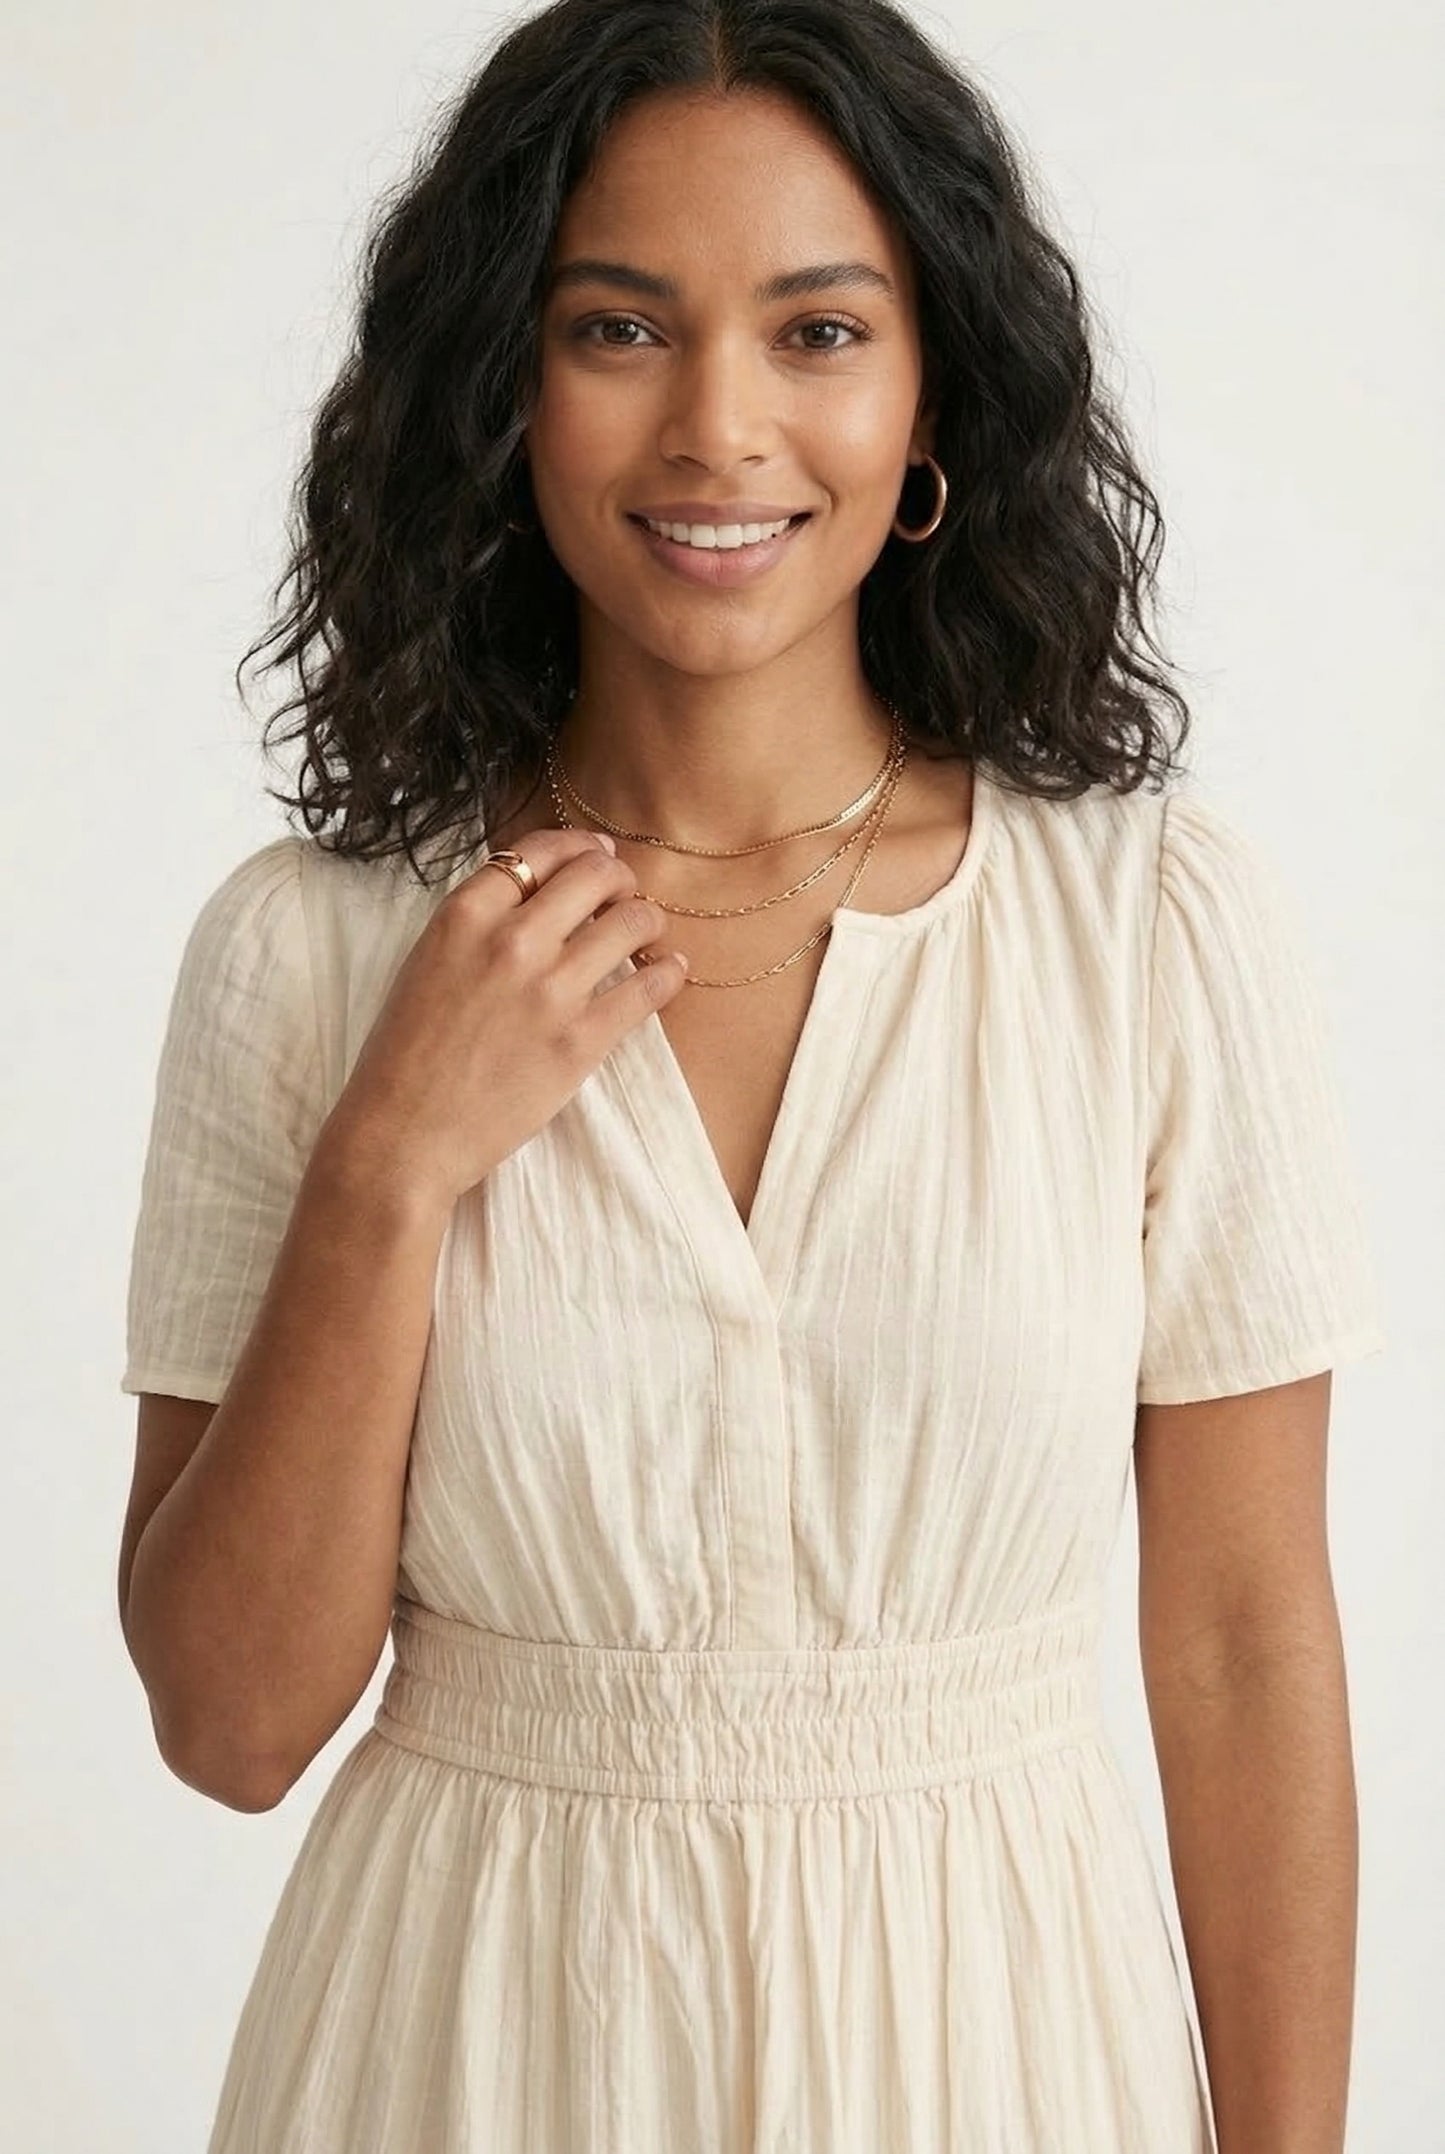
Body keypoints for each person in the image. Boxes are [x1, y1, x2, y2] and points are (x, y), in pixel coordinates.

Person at [115, 1, 1387, 2148]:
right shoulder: (314, 954)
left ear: (930, 397)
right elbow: (235, 1727)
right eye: (621, 329)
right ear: (503, 393)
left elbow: (1251, 1647)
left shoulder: (1147, 929)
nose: (719, 426)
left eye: (816, 332)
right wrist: (394, 1164)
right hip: (471, 2052)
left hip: (996, 2048)